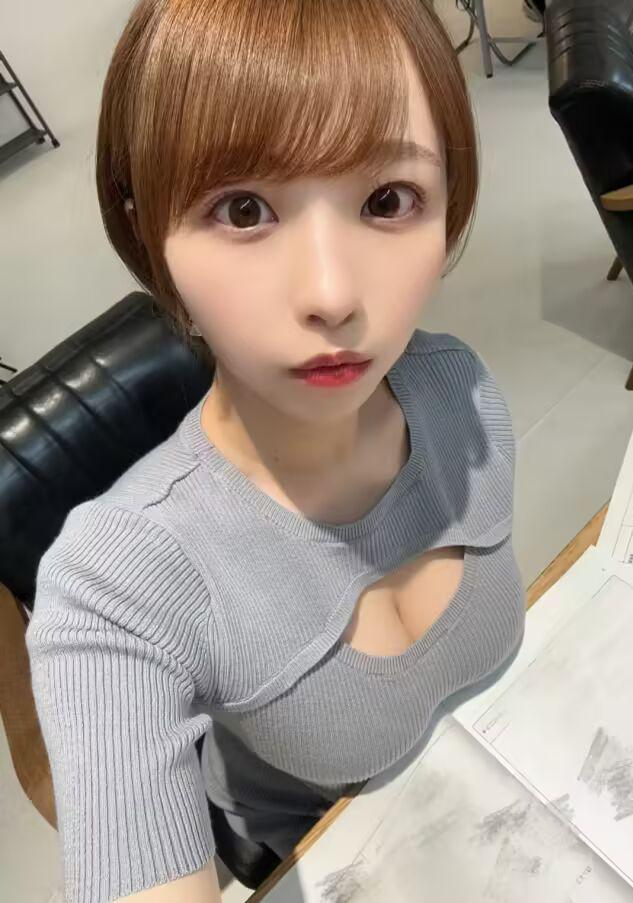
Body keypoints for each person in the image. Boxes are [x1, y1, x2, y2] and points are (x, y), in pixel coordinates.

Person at [25, 0, 527, 901]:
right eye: (244, 208)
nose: (332, 294)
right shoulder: (116, 585)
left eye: (387, 199)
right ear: (147, 233)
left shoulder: (458, 388)